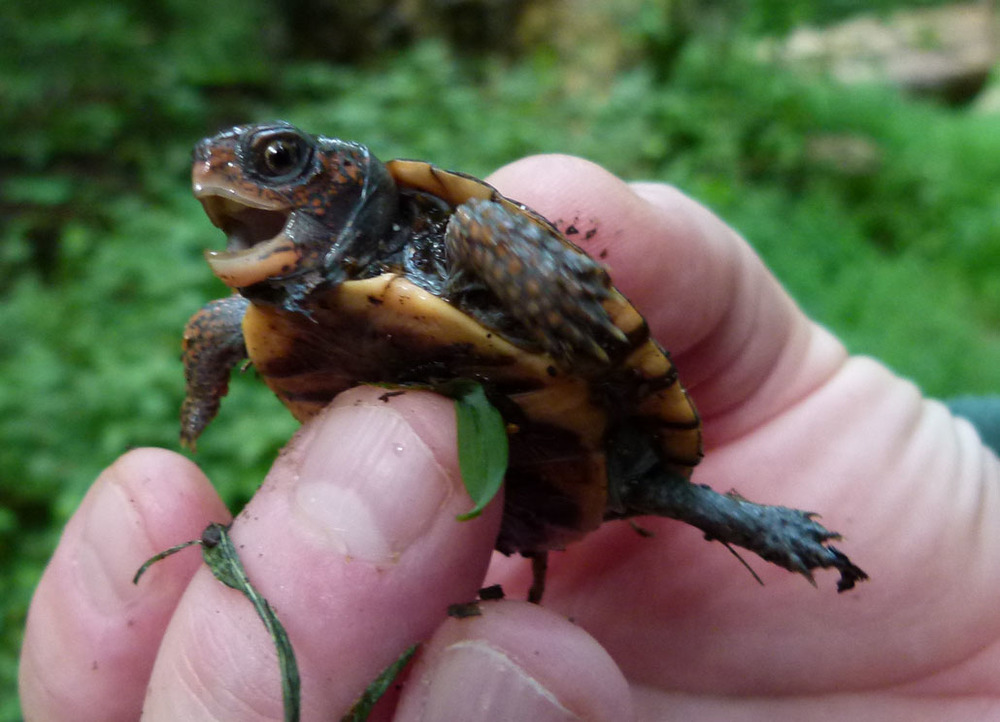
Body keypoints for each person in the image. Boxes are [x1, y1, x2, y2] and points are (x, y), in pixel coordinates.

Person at [19, 155, 1000, 721]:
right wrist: (204, 392)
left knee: (639, 479)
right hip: (458, 511)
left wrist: (578, 322)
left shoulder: (446, 235)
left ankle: (781, 531)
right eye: (229, 172)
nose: (231, 174)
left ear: (345, 181)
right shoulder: (262, 313)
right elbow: (217, 327)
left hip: (573, 416)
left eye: (277, 160)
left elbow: (499, 224)